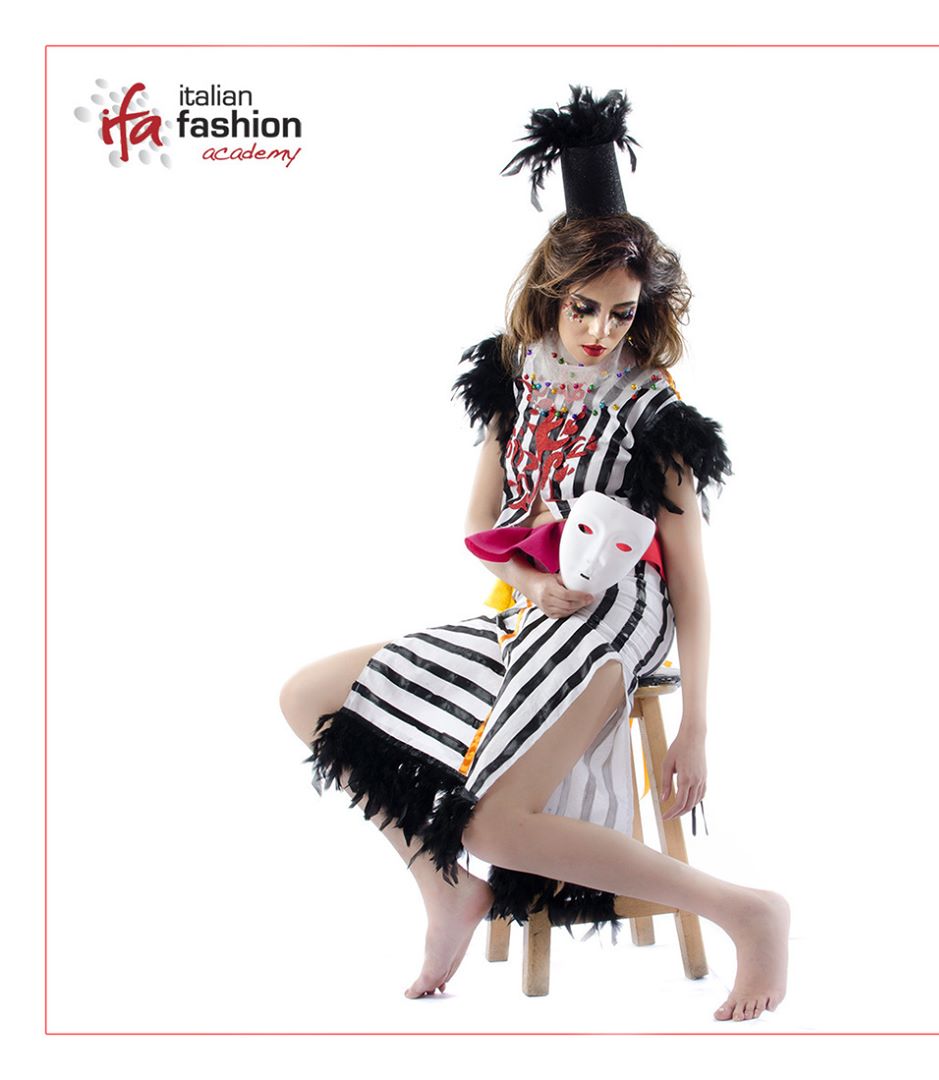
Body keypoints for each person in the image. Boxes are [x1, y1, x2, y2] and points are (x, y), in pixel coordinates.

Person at [278, 85, 789, 1022]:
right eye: (585, 308)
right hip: (531, 608)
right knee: (309, 695)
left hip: (617, 621)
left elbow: (693, 581)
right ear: (551, 295)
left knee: (494, 823)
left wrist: (697, 724)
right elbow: (481, 521)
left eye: (622, 314)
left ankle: (744, 911)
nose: (601, 333)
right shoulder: (513, 386)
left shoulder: (656, 413)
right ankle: (445, 889)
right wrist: (524, 578)